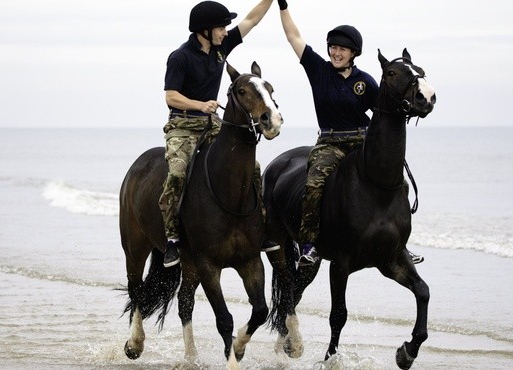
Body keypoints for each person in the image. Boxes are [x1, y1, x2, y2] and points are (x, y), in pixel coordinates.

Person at [276, 0, 424, 266]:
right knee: (313, 184)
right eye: (333, 47)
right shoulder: (318, 70)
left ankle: (400, 245)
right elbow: (293, 36)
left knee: (398, 184)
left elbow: (384, 115)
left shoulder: (365, 81)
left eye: (342, 49)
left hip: (361, 142)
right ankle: (309, 245)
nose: (336, 52)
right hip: (329, 143)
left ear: (353, 52)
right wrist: (283, 6)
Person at [160, 0, 275, 268]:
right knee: (177, 174)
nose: (226, 31)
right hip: (183, 125)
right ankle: (172, 239)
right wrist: (200, 105)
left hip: (213, 124)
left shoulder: (221, 47)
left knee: (252, 167)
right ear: (204, 30)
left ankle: (261, 228)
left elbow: (251, 20)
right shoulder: (180, 57)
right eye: (221, 27)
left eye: (225, 27)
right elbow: (171, 96)